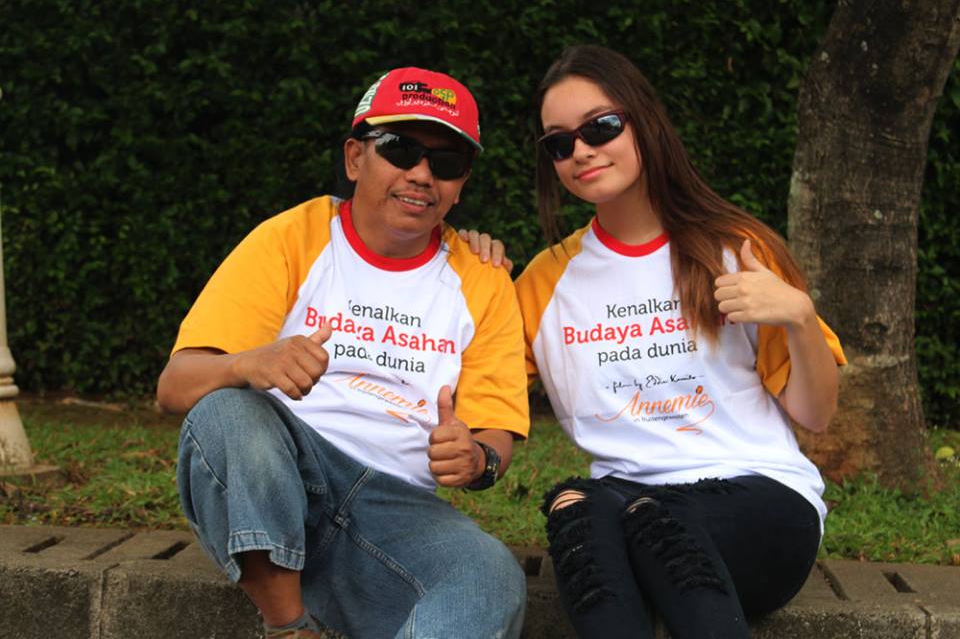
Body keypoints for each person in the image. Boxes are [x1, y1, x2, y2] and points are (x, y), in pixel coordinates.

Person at [156, 67, 529, 639]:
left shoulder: (483, 278)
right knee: (227, 411)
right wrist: (246, 363)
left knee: (490, 577)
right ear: (355, 158)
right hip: (285, 475)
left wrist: (478, 460)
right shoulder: (292, 238)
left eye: (446, 162)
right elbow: (175, 385)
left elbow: (494, 431)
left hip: (400, 512)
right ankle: (290, 627)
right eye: (399, 149)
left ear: (461, 185)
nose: (421, 173)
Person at [509, 44, 847, 638]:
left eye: (600, 127)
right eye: (559, 143)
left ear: (643, 121)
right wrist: (465, 261)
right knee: (576, 509)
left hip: (761, 503)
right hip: (629, 507)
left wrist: (799, 316)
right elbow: (481, 386)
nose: (581, 151)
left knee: (649, 519)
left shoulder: (733, 249)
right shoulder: (543, 282)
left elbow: (815, 414)